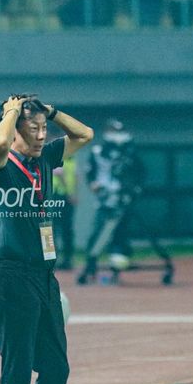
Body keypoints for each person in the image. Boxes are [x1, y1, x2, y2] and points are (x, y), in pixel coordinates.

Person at [0, 94, 93, 384]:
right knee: (17, 371)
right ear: (15, 130)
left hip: (44, 278)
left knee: (56, 367)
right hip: (12, 277)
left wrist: (51, 111)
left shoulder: (45, 159)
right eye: (33, 129)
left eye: (44, 129)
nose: (42, 136)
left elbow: (84, 135)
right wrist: (11, 111)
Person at [77, 118, 145, 285]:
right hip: (104, 201)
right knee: (98, 235)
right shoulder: (99, 151)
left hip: (124, 200)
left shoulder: (130, 152)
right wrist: (94, 185)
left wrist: (133, 190)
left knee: (120, 236)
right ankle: (91, 268)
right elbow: (90, 174)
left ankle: (116, 271)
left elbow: (139, 173)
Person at [52, 155, 79, 270]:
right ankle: (53, 259)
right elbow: (60, 174)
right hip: (55, 196)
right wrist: (71, 194)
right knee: (50, 230)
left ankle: (64, 259)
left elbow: (76, 178)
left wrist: (73, 194)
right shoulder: (56, 159)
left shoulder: (70, 161)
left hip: (63, 198)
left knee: (64, 230)